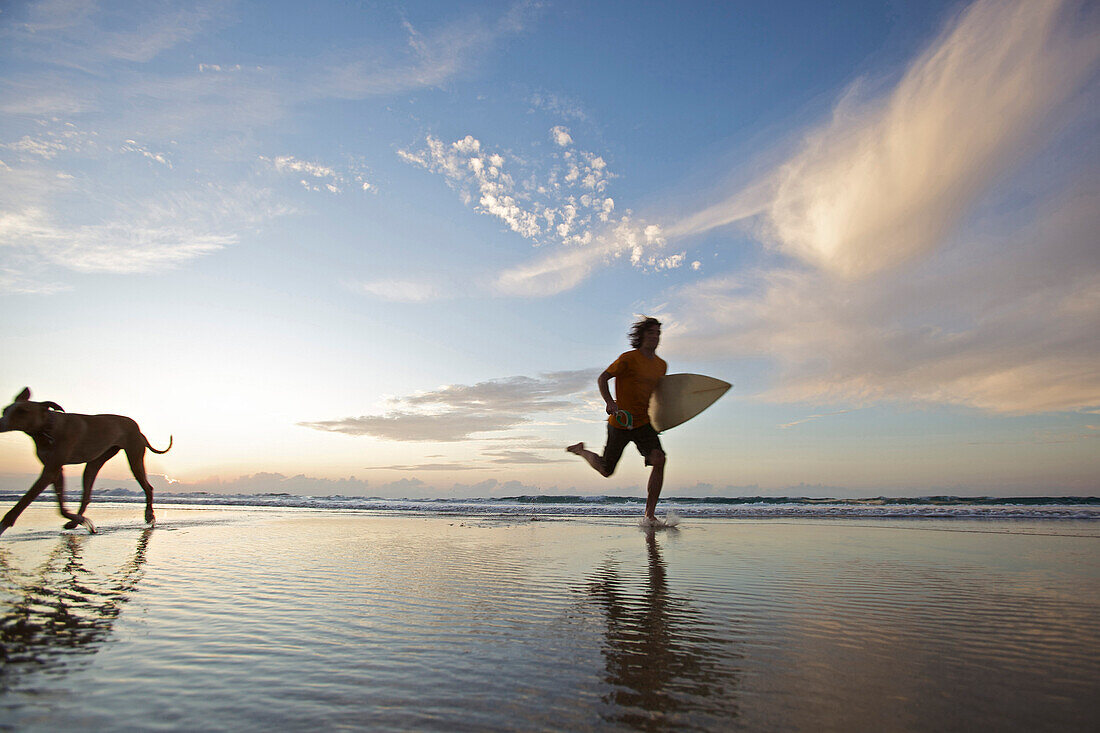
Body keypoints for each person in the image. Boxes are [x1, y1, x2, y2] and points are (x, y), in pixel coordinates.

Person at [568, 317, 667, 520]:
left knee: (659, 459)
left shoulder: (661, 366)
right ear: (641, 336)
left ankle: (649, 515)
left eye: (658, 333)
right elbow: (603, 378)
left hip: (643, 423)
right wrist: (610, 402)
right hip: (620, 422)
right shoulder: (628, 358)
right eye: (650, 332)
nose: (655, 337)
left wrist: (663, 419)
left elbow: (659, 396)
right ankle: (581, 451)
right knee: (606, 470)